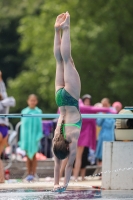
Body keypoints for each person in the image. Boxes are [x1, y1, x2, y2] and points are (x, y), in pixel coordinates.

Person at [52, 12, 82, 192]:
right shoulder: (56, 140)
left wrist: (65, 185)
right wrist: (56, 183)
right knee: (58, 62)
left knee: (67, 60)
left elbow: (69, 166)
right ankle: (56, 32)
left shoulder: (71, 139)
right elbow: (57, 166)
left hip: (70, 99)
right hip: (59, 98)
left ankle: (66, 28)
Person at [73, 96, 116, 180]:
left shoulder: (80, 109)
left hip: (84, 136)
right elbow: (98, 122)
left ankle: (75, 177)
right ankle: (73, 176)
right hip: (80, 135)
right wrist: (109, 110)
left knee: (78, 157)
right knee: (74, 157)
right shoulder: (83, 108)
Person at [18, 94, 43, 182]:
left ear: (36, 101)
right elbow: (23, 127)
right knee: (28, 156)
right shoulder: (24, 111)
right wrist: (23, 138)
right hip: (27, 137)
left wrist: (39, 135)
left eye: (34, 100)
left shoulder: (38, 111)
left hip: (34, 137)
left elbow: (39, 125)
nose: (32, 102)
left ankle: (33, 173)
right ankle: (29, 173)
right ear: (28, 101)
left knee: (34, 156)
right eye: (31, 100)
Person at [0, 71, 16, 183]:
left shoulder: (3, 102)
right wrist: (0, 79)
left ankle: (1, 179)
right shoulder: (5, 100)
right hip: (5, 130)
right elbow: (3, 90)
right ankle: (1, 179)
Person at [95, 98, 115, 165]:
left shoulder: (112, 111)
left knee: (109, 153)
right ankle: (101, 172)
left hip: (109, 135)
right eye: (103, 105)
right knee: (100, 154)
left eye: (106, 105)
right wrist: (103, 115)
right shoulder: (101, 112)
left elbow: (111, 123)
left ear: (109, 104)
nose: (105, 106)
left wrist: (104, 116)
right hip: (102, 135)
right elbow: (98, 123)